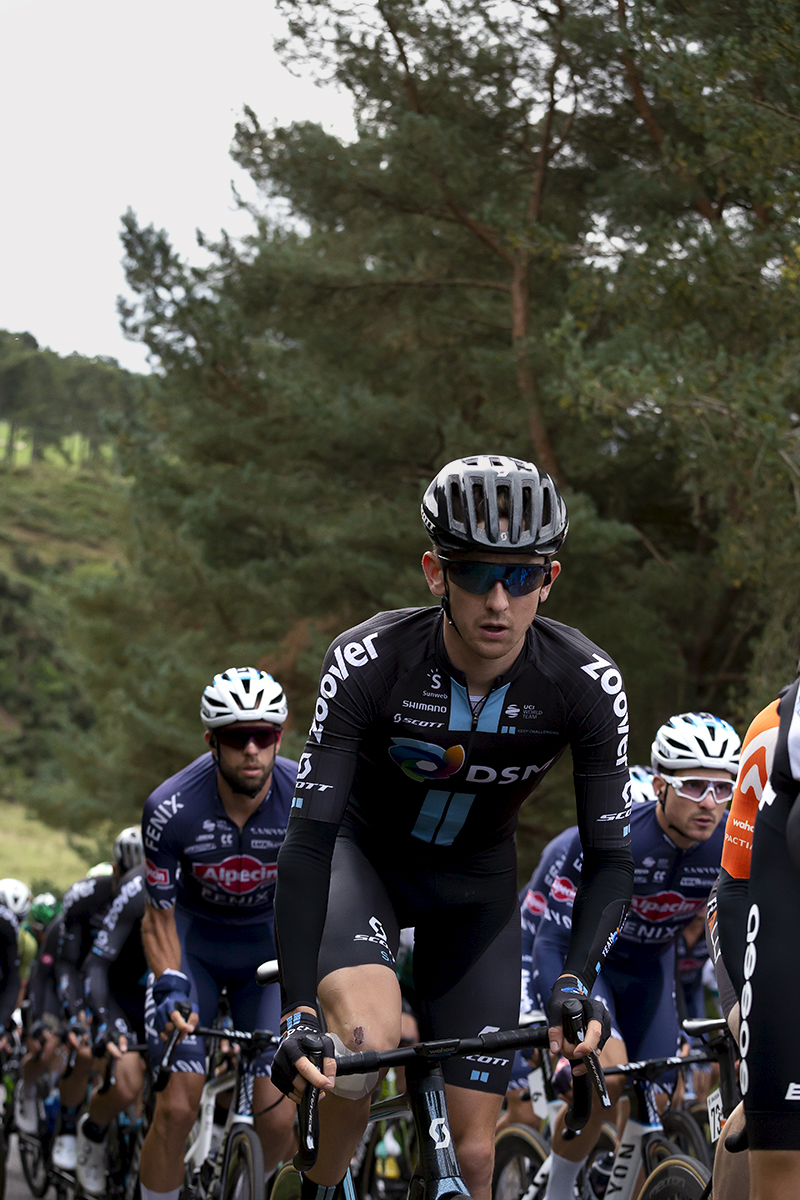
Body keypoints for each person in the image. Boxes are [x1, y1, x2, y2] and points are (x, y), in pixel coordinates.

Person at [272, 454, 635, 1200]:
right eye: (474, 574)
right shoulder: (368, 660)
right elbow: (307, 839)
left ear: (550, 580)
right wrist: (299, 1010)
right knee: (365, 1049)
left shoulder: (586, 682)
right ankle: (311, 1182)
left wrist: (576, 979)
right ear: (436, 572)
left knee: (473, 1158)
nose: (498, 600)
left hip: (475, 888)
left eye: (522, 576)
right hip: (362, 860)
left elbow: (609, 856)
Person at [532, 711, 740, 1200]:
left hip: (649, 972)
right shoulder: (620, 834)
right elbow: (553, 933)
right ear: (661, 785)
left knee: (663, 1094)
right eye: (693, 786)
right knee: (611, 1078)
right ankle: (557, 1191)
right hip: (586, 964)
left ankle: (620, 1186)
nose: (709, 803)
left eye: (723, 787)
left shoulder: (729, 846)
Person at [138, 667, 297, 1200]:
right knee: (178, 1106)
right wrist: (170, 982)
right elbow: (158, 917)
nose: (251, 749)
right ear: (212, 742)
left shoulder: (305, 798)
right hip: (195, 948)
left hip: (267, 958)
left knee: (278, 1121)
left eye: (265, 735)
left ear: (280, 735)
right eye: (235, 737)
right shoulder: (169, 808)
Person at [715, 673, 800, 1199]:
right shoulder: (773, 730)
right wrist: (750, 1021)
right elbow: (737, 882)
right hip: (762, 908)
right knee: (777, 1134)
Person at [52, 830, 142, 1170]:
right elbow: (68, 964)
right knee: (87, 1050)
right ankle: (69, 1124)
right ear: (115, 870)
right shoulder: (86, 897)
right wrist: (76, 1013)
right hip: (83, 981)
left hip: (128, 988)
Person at [76, 842, 147, 1195]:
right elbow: (94, 965)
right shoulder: (136, 891)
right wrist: (103, 1022)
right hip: (121, 1001)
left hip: (162, 1003)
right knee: (127, 1084)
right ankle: (94, 1131)